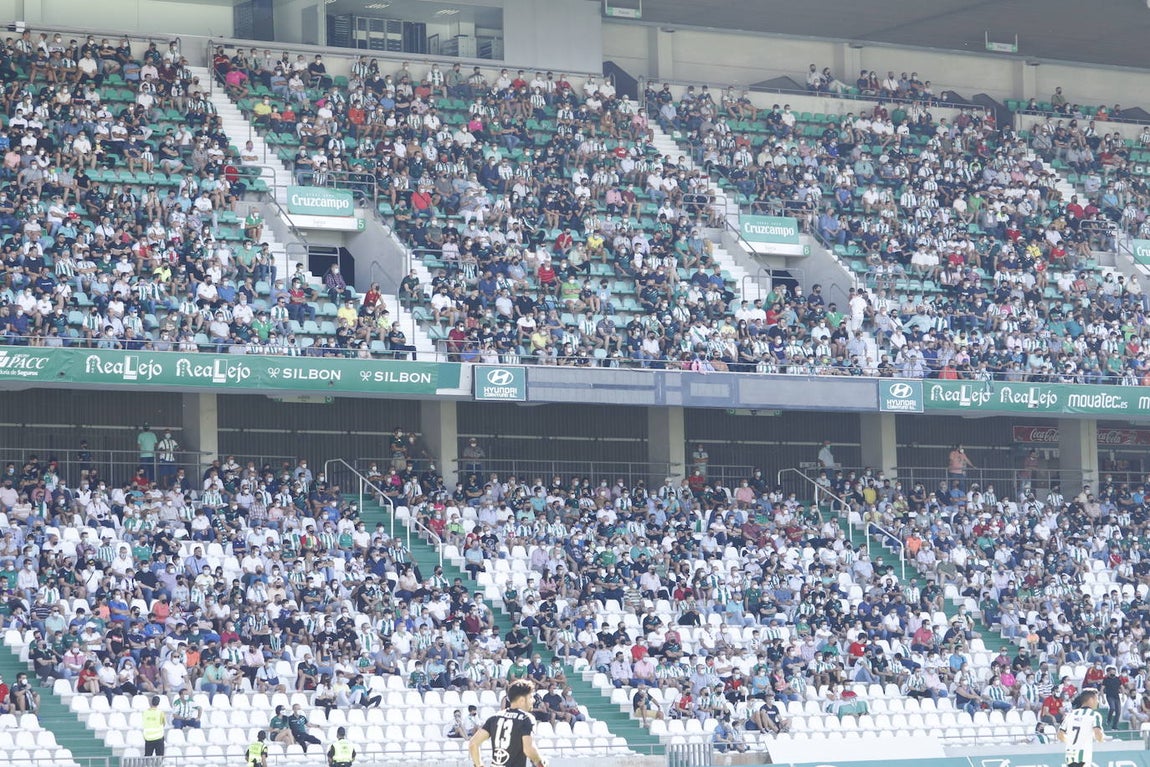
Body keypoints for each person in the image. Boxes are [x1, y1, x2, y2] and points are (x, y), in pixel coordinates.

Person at [469, 679, 548, 767]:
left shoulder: (494, 717)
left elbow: (473, 744)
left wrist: (479, 765)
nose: (533, 701)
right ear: (522, 700)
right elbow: (528, 749)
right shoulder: (526, 718)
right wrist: (540, 762)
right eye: (530, 697)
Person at [1058, 689, 1104, 767]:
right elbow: (1098, 734)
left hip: (1070, 754)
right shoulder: (1094, 715)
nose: (1098, 702)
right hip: (1083, 755)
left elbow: (1060, 734)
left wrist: (1070, 741)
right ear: (1091, 700)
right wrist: (1101, 739)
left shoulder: (1071, 714)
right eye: (1096, 699)